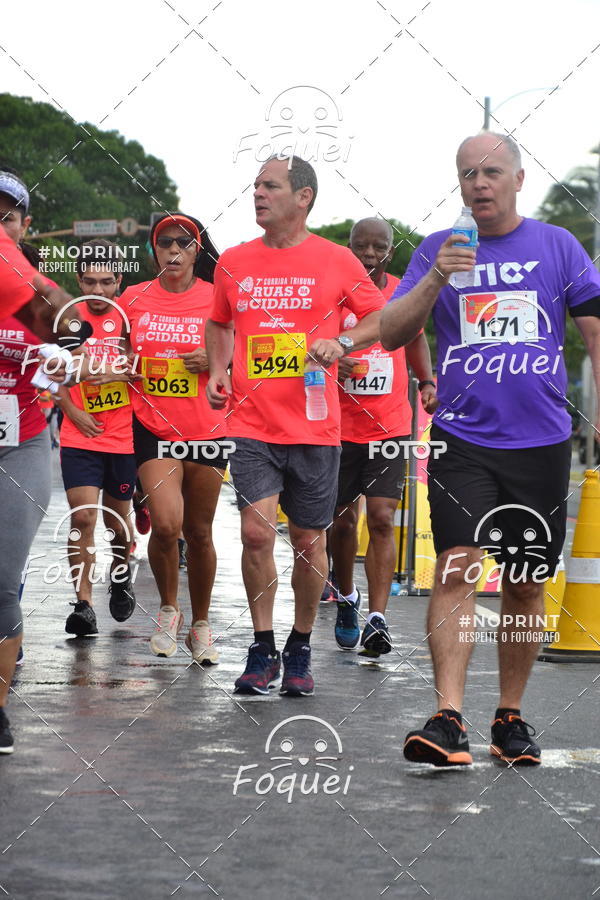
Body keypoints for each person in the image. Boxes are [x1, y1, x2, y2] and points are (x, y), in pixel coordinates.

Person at [381, 131, 600, 767]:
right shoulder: (436, 250)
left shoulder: (557, 246)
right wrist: (436, 278)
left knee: (527, 585)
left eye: (491, 172)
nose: (479, 183)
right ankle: (448, 718)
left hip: (542, 441)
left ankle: (510, 715)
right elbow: (397, 332)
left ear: (518, 180)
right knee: (455, 565)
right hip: (460, 437)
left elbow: (594, 326)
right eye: (468, 174)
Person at [206, 155, 383, 697]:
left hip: (315, 427)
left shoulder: (336, 261)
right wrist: (217, 368)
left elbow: (382, 319)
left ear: (303, 197)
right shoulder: (233, 260)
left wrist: (344, 341)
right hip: (252, 422)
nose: (258, 194)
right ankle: (262, 648)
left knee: (308, 541)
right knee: (256, 531)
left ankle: (300, 644)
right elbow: (219, 322)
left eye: (271, 186)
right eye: (256, 185)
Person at [119, 213, 226, 662]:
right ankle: (168, 608)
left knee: (199, 533)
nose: (174, 251)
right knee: (166, 525)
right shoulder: (133, 297)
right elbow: (117, 352)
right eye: (165, 244)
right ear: (154, 251)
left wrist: (218, 361)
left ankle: (200, 623)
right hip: (153, 425)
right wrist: (124, 366)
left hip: (208, 427)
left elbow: (246, 350)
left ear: (197, 250)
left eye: (183, 243)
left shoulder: (219, 297)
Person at [331, 217, 436, 656]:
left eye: (378, 247)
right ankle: (346, 596)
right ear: (349, 246)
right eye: (361, 246)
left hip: (388, 425)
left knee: (380, 517)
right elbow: (305, 342)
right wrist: (326, 364)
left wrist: (427, 382)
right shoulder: (332, 293)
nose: (369, 254)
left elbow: (415, 339)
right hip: (335, 427)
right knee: (340, 521)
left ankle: (377, 618)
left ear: (390, 251)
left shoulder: (400, 292)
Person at [57, 240, 137, 637]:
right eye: (90, 282)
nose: (99, 292)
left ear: (119, 279)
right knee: (83, 516)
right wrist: (72, 411)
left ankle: (121, 574)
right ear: (78, 279)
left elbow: (144, 369)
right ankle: (83, 604)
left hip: (122, 436)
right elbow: (52, 372)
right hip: (79, 432)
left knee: (117, 523)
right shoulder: (68, 316)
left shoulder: (130, 316)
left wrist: (116, 373)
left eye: (107, 282)